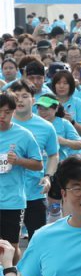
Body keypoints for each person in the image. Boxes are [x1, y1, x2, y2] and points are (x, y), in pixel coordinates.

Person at [0, 92, 43, 246]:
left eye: (7, 112)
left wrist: (18, 161)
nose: (2, 116)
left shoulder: (24, 135)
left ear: (14, 111)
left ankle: (12, 270)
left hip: (12, 200)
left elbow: (38, 164)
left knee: (11, 246)